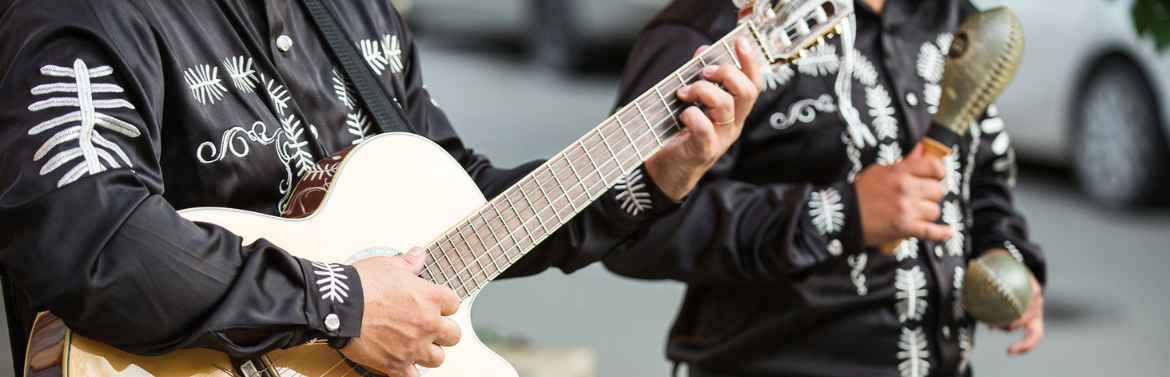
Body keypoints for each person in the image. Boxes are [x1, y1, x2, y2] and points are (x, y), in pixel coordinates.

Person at [0, 0, 763, 375]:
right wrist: (341, 302)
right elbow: (91, 236)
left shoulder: (351, 12)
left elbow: (461, 212)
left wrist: (654, 176)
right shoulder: (86, 10)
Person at [606, 0, 1045, 376]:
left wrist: (1004, 250)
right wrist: (839, 213)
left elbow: (983, 174)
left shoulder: (948, 14)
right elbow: (633, 229)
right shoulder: (712, 28)